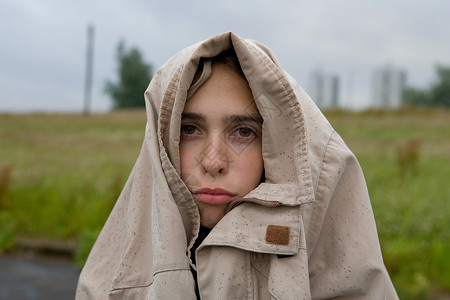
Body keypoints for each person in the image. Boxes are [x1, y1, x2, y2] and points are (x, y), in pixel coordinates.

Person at [76, 32, 398, 299]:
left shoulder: (331, 259)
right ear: (163, 141)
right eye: (190, 129)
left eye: (243, 132)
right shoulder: (108, 284)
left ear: (275, 144)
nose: (214, 162)